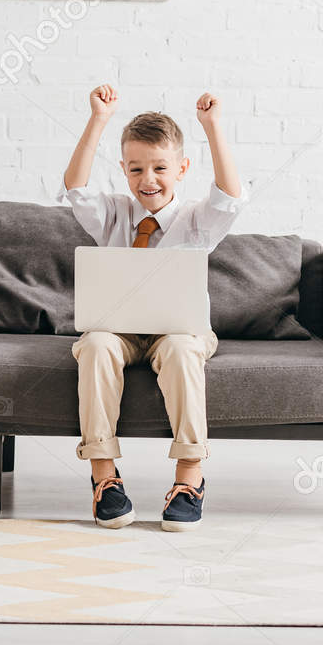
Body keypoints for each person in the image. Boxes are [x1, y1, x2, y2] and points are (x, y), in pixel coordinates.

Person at [59, 84, 246, 529]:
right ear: (123, 170)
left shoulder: (197, 220)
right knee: (95, 345)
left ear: (182, 169)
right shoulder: (113, 213)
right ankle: (104, 476)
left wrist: (212, 127)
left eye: (160, 168)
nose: (149, 180)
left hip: (178, 330)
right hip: (119, 331)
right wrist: (99, 120)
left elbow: (230, 196)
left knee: (181, 350)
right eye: (136, 169)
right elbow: (76, 187)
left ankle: (189, 477)